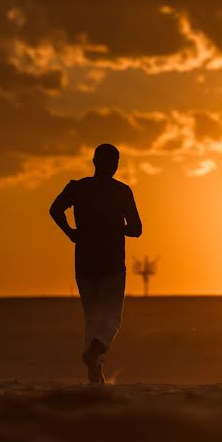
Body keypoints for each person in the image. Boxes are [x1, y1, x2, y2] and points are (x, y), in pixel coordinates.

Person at [49, 144, 142, 384]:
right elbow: (137, 229)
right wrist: (116, 228)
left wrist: (71, 231)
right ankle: (97, 351)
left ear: (94, 161)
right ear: (115, 165)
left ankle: (95, 371)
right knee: (111, 318)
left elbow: (55, 209)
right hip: (111, 264)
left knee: (91, 318)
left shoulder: (78, 188)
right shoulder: (122, 191)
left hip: (85, 262)